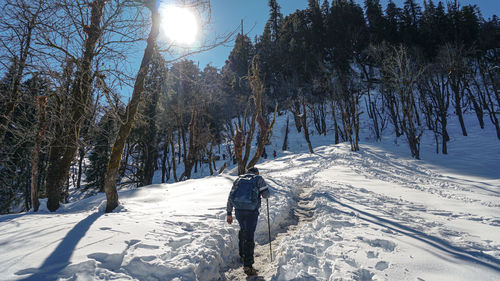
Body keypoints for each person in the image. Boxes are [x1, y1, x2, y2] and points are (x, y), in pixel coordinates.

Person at [226, 167, 270, 276]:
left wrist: (229, 213)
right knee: (249, 236)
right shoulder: (258, 179)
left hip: (239, 210)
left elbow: (230, 196)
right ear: (256, 173)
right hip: (251, 211)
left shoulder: (239, 179)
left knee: (243, 230)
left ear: (247, 172)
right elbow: (266, 195)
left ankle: (242, 256)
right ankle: (248, 266)